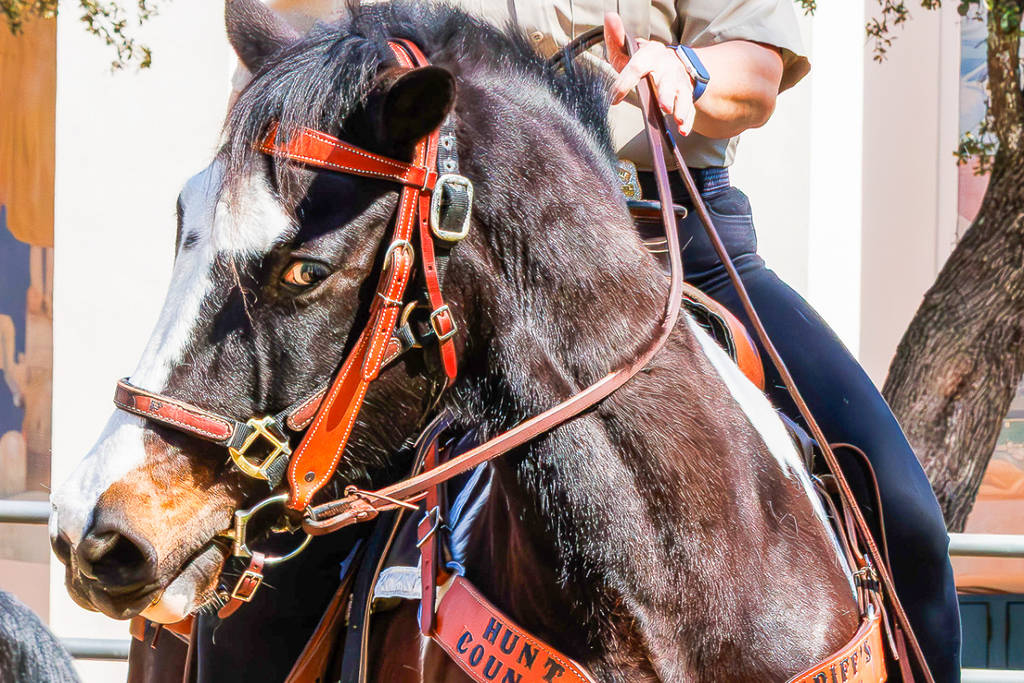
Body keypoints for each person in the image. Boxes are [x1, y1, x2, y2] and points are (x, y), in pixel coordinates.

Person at [258, 1, 961, 680]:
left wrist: (688, 71)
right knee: (277, 516)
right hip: (478, 261)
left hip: (681, 238)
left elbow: (758, 71)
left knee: (905, 512)